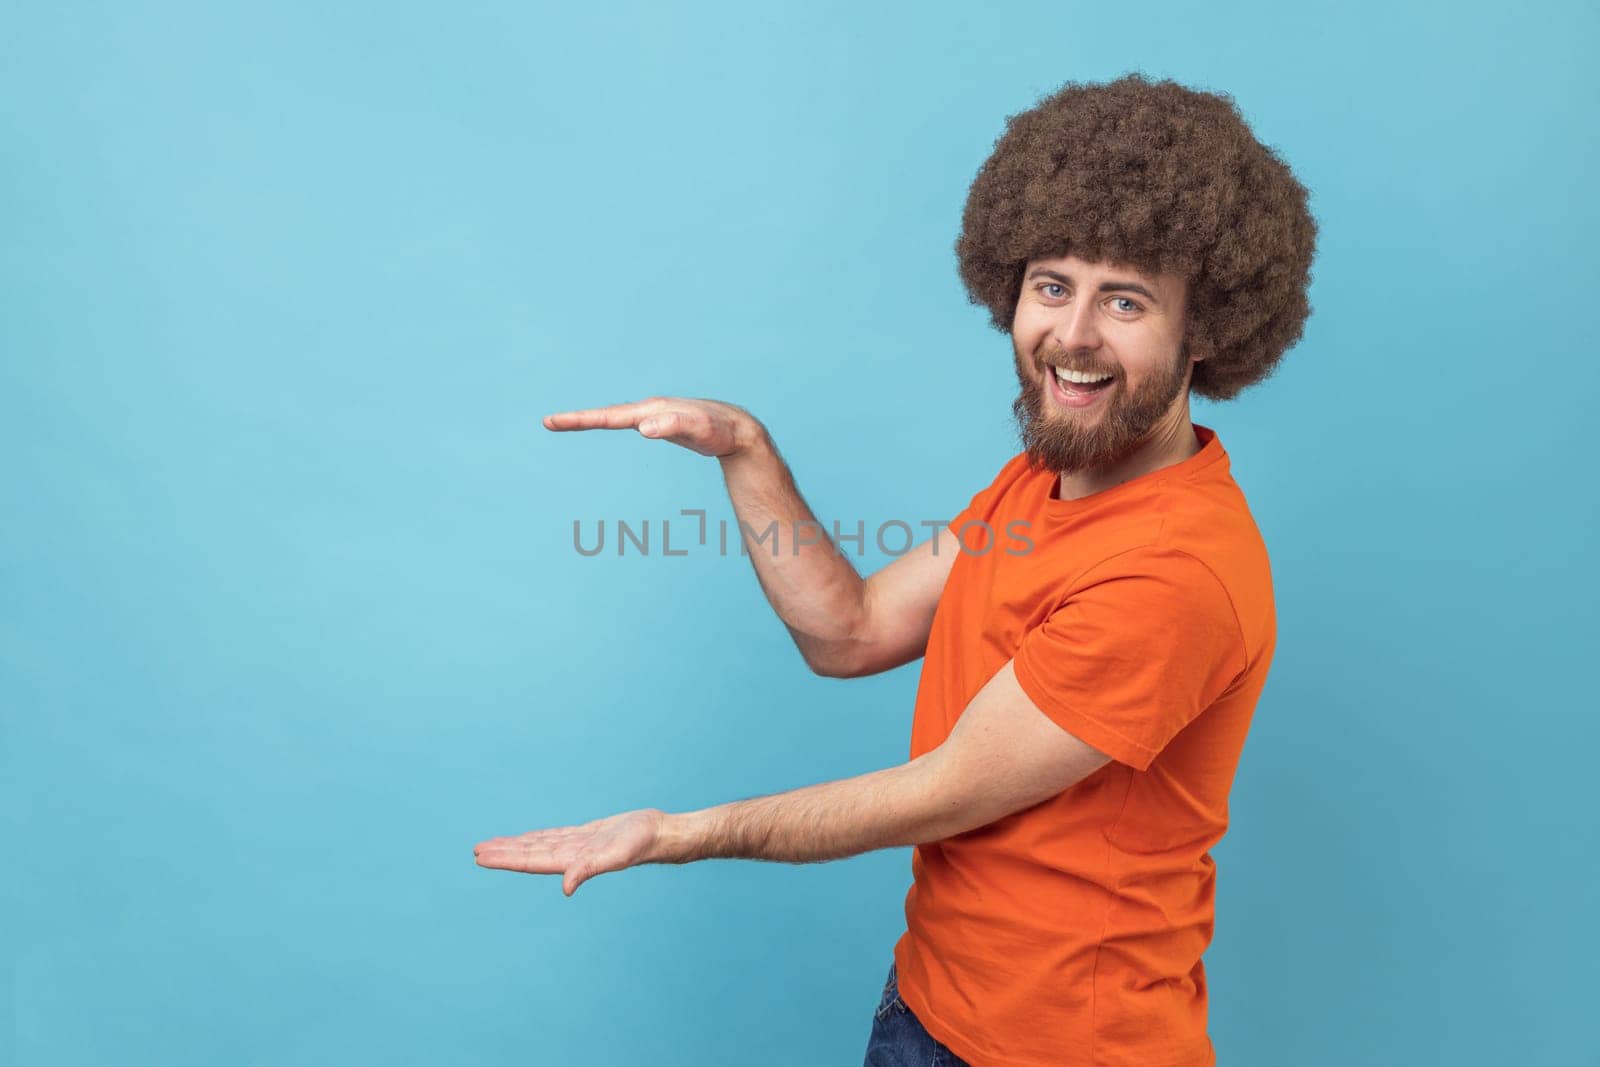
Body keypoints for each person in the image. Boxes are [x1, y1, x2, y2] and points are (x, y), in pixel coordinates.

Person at [474, 71, 1317, 1067]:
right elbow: (853, 629)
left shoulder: (1172, 571)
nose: (1072, 335)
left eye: (1123, 300)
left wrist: (672, 832)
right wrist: (745, 451)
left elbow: (943, 791)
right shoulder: (1041, 479)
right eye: (1051, 286)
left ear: (1206, 328)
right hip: (929, 1005)